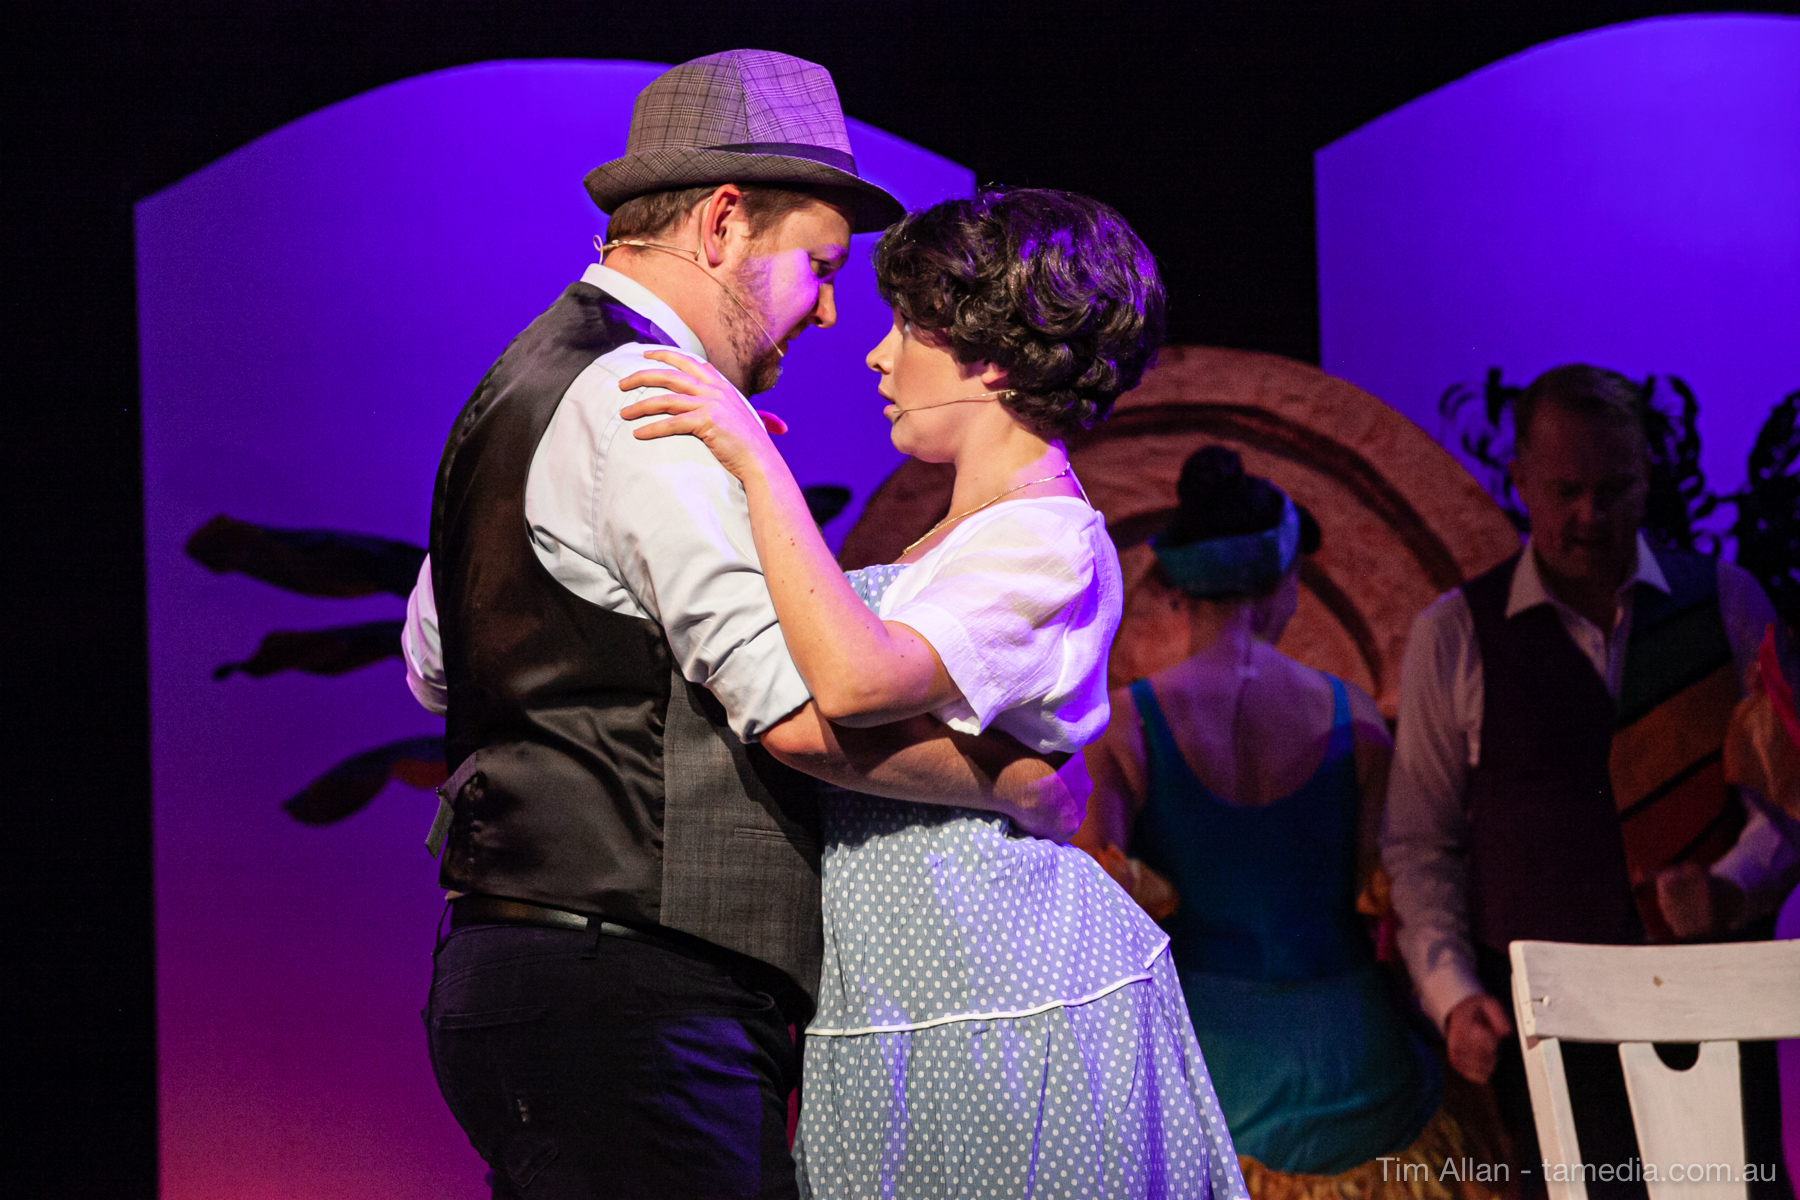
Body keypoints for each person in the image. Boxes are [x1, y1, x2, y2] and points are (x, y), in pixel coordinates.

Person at [402, 52, 1087, 1200]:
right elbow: (797, 713)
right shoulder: (656, 407)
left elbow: (433, 662)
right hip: (635, 996)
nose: (830, 309)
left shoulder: (522, 381)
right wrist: (1014, 784)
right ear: (723, 226)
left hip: (516, 975)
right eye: (820, 266)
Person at [618, 188, 1248, 1200]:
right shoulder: (968, 535)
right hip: (901, 987)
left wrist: (758, 465)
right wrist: (1006, 779)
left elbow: (854, 682)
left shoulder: (1046, 536)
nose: (878, 355)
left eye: (910, 328)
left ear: (992, 358)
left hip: (999, 983)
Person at [1382, 364, 1800, 1193]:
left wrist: (1733, 885)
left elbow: (1786, 800)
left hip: (1709, 1008)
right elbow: (1420, 844)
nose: (1590, 515)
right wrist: (1454, 993)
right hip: (1547, 1029)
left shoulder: (1727, 601)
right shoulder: (1454, 634)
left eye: (1614, 490)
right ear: (1520, 480)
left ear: (1648, 475)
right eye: (1567, 490)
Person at [1072, 446, 1500, 1200]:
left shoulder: (1128, 726)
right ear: (1284, 584)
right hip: (1359, 1069)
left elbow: (1096, 903)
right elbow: (1391, 890)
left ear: (1176, 588)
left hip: (1208, 1069)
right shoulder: (1352, 717)